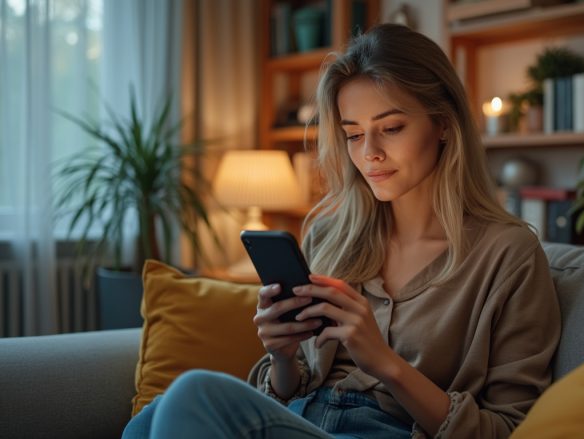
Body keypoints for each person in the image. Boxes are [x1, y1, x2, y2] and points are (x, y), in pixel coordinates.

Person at [123, 23, 561, 439]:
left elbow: (508, 429)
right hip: (301, 418)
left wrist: (385, 363)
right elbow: (291, 389)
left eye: (391, 128)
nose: (370, 153)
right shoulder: (330, 233)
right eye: (353, 135)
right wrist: (282, 356)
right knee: (154, 417)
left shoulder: (508, 254)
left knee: (194, 395)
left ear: (444, 123)